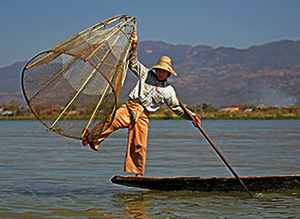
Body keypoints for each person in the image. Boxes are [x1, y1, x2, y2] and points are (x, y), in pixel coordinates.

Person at [82, 32, 201, 177]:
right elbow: (132, 63)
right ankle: (92, 139)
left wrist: (192, 116)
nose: (160, 73)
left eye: (164, 72)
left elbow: (177, 108)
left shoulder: (169, 91)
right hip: (130, 107)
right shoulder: (146, 74)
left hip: (143, 114)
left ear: (168, 73)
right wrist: (134, 45)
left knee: (139, 144)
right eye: (159, 70)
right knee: (111, 121)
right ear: (156, 69)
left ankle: (138, 173)